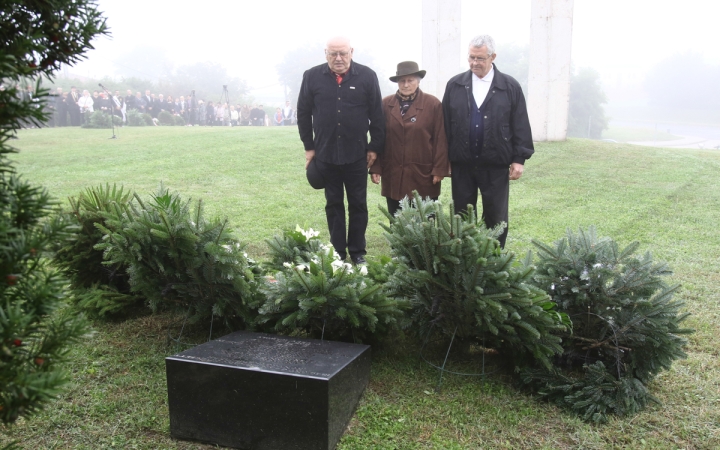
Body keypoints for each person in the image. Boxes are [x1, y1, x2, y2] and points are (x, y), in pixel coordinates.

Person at [297, 36, 385, 265]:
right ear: (325, 53)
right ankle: (337, 252)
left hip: (357, 155)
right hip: (325, 154)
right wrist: (309, 147)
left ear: (351, 52)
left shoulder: (367, 76)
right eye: (333, 54)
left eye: (343, 53)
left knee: (358, 204)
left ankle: (357, 252)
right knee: (333, 204)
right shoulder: (311, 76)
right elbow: (303, 114)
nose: (338, 58)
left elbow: (377, 114)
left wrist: (375, 147)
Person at [442, 34, 533, 248]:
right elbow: (445, 124)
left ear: (493, 56)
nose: (474, 63)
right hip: (462, 163)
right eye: (471, 57)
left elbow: (520, 123)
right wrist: (444, 158)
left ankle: (494, 259)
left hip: (495, 164)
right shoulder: (455, 84)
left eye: (480, 58)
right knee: (461, 215)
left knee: (496, 215)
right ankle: (463, 255)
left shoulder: (510, 86)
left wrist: (519, 158)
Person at [369, 61, 449, 217]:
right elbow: (378, 137)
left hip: (423, 174)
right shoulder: (385, 104)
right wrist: (376, 167)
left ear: (418, 81)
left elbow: (441, 139)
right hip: (393, 172)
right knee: (397, 219)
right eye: (402, 81)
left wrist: (439, 170)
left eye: (410, 80)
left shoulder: (433, 104)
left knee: (426, 222)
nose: (406, 85)